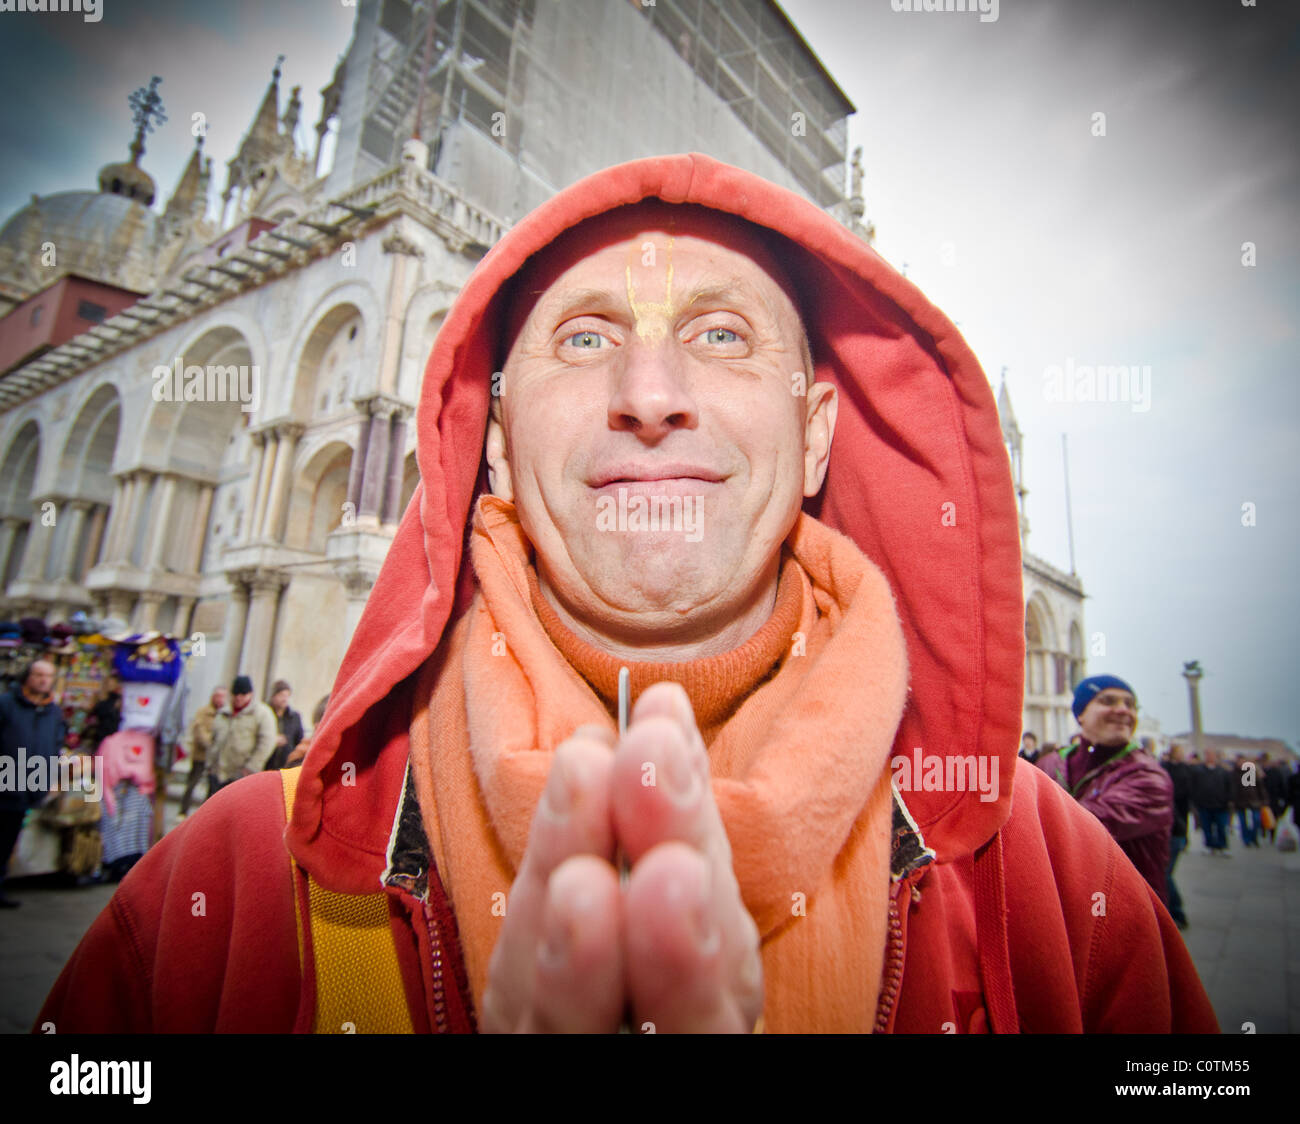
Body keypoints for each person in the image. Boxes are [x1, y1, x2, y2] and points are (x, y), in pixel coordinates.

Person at [36, 154, 1215, 1033]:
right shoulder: (233, 884)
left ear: (813, 437)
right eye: (587, 339)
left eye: (719, 331)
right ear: (492, 438)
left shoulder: (1043, 878)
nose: (651, 393)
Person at [1036, 675, 1174, 905]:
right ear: (1080, 714)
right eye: (1108, 701)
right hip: (1056, 908)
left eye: (1130, 704)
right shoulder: (1050, 764)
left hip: (1123, 913)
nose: (1123, 710)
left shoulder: (1149, 777)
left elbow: (1081, 828)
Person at [0, 660, 66, 908]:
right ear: (27, 677)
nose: (42, 680)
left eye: (47, 675)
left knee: (8, 839)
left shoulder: (53, 710)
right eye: (38, 674)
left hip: (29, 785)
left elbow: (55, 744)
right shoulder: (7, 704)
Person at [205, 675, 276, 799]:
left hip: (241, 774)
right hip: (218, 772)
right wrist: (210, 765)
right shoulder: (223, 713)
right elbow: (214, 740)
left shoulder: (261, 714)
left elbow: (267, 743)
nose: (238, 698)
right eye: (235, 694)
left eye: (243, 695)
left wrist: (251, 767)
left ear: (250, 694)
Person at [179, 686, 227, 817]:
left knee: (212, 787)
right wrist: (210, 744)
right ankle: (183, 810)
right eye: (218, 696)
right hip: (201, 754)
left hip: (217, 758)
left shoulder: (225, 714)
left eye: (223, 696)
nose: (220, 699)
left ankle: (205, 815)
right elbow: (198, 729)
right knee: (192, 782)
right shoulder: (203, 711)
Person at [1161, 742, 1191, 929]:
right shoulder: (1163, 770)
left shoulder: (1157, 776)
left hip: (1172, 833)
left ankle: (1175, 913)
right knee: (1164, 874)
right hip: (1174, 831)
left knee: (1164, 875)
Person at [1190, 750, 1232, 855]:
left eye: (1212, 755)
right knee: (1206, 827)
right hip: (1204, 804)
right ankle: (1209, 845)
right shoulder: (1198, 771)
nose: (1210, 757)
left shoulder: (1223, 771)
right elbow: (1193, 786)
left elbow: (1229, 787)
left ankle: (1222, 846)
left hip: (1220, 805)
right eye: (1208, 755)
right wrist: (1196, 800)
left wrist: (1228, 800)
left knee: (1221, 826)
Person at [263, 680, 304, 772]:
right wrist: (273, 740)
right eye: (281, 695)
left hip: (285, 766)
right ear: (273, 696)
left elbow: (299, 740)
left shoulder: (294, 717)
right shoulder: (265, 715)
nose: (285, 699)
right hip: (266, 764)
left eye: (287, 696)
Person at [1230, 754, 1262, 848]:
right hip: (1240, 801)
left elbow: (1258, 786)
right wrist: (1232, 799)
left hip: (1253, 800)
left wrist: (1263, 798)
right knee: (1243, 822)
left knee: (1256, 820)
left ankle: (1254, 837)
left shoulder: (1251, 772)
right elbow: (1232, 788)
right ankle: (1246, 839)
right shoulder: (1234, 773)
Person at [85, 675, 121, 752]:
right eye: (108, 684)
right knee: (99, 761)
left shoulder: (118, 700)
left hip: (111, 738)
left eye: (112, 684)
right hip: (101, 737)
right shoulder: (101, 699)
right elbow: (93, 714)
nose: (109, 686)